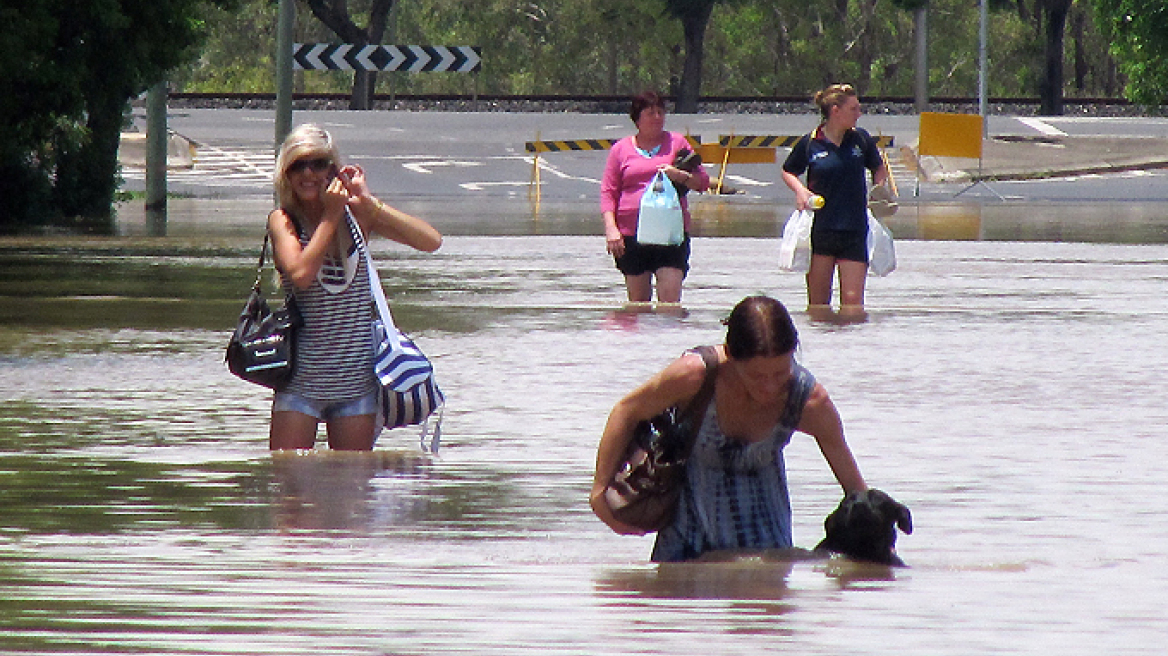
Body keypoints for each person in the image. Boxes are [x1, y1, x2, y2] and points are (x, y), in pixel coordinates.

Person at [590, 295, 868, 562]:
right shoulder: (695, 376)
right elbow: (626, 411)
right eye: (757, 376)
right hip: (687, 530)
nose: (769, 387)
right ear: (731, 355)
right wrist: (599, 491)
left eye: (780, 374)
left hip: (766, 543)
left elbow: (855, 490)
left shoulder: (808, 401)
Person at [267, 124, 443, 451]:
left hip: (356, 383)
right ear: (286, 175)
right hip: (300, 382)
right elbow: (301, 274)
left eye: (318, 164)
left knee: (351, 490)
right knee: (287, 488)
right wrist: (331, 216)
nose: (309, 173)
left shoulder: (354, 215)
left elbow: (430, 241)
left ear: (333, 169)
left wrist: (368, 203)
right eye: (298, 166)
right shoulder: (283, 220)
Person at [780, 84, 889, 315]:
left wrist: (879, 190)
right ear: (835, 111)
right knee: (818, 307)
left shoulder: (861, 140)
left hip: (854, 229)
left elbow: (879, 169)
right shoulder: (811, 142)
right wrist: (800, 191)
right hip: (821, 230)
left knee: (853, 307)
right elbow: (788, 171)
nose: (859, 114)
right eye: (854, 109)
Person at [601, 91, 710, 304]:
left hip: (670, 234)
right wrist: (611, 229)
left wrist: (680, 175)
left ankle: (670, 337)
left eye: (661, 112)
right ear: (637, 118)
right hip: (632, 235)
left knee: (670, 305)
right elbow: (608, 192)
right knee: (637, 306)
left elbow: (703, 182)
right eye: (651, 113)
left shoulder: (677, 143)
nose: (657, 118)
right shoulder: (620, 150)